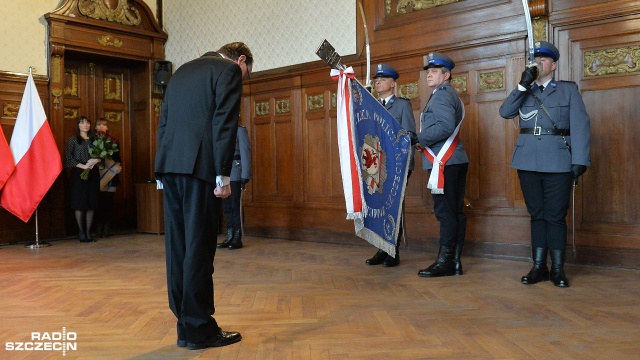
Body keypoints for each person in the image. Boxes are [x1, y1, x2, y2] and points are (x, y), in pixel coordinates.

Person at [154, 41, 253, 350]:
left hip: (170, 166)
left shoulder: (181, 71)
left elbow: (164, 123)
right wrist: (223, 176)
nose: (244, 77)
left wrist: (161, 171)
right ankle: (199, 329)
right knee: (199, 247)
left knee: (178, 248)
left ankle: (184, 326)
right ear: (240, 60)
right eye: (246, 72)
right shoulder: (228, 71)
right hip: (201, 170)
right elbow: (224, 123)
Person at [499, 41, 590, 288]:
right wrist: (521, 83)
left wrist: (580, 160)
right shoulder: (524, 90)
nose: (538, 63)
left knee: (555, 216)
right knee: (536, 215)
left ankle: (558, 269)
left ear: (554, 65)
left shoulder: (568, 90)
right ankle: (539, 266)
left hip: (559, 160)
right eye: (535, 59)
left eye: (543, 60)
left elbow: (580, 125)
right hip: (528, 160)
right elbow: (505, 112)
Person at [415, 52, 469, 278]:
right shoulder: (443, 93)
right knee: (453, 211)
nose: (429, 74)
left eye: (435, 71)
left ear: (446, 75)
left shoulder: (443, 95)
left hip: (445, 161)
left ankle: (445, 262)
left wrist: (419, 139)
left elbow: (446, 126)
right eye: (428, 71)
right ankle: (454, 261)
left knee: (446, 212)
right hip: (451, 160)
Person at [365, 63, 416, 267]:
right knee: (380, 206)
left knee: (393, 207)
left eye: (383, 79)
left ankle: (393, 251)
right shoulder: (373, 105)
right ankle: (382, 248)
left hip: (398, 164)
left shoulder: (402, 105)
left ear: (393, 84)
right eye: (377, 79)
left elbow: (410, 134)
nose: (378, 82)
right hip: (377, 165)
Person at [65, 116, 101, 242]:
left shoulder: (95, 139)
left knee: (91, 202)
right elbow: (68, 159)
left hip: (93, 173)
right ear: (78, 125)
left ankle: (88, 232)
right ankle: (81, 231)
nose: (85, 125)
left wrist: (96, 160)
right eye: (82, 123)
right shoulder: (73, 139)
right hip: (79, 173)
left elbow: (101, 155)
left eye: (87, 122)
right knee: (80, 203)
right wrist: (83, 165)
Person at [217, 122, 251, 250]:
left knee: (235, 206)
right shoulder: (220, 130)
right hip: (223, 174)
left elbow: (245, 152)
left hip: (235, 173)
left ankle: (237, 237)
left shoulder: (240, 130)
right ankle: (230, 234)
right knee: (227, 207)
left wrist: (245, 174)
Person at [95, 118, 121, 238]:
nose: (101, 127)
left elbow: (118, 158)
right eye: (99, 125)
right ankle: (98, 228)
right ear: (95, 127)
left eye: (104, 125)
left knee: (108, 202)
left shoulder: (113, 141)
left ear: (107, 127)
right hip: (98, 175)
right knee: (99, 202)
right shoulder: (92, 140)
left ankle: (107, 228)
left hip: (110, 175)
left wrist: (118, 166)